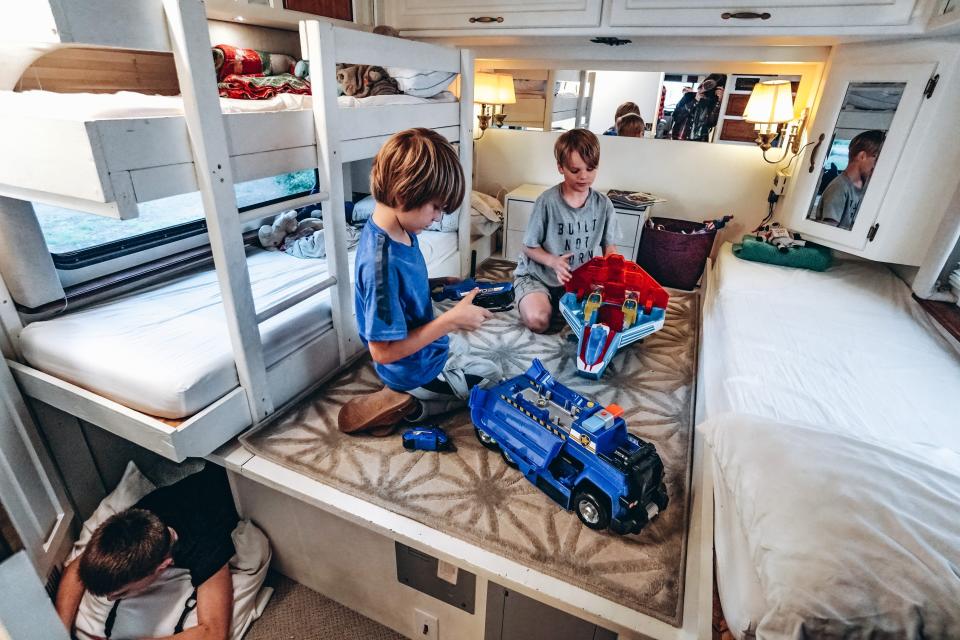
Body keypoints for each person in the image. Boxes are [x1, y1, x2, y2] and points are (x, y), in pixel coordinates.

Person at [338, 128, 500, 434]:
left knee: (466, 350)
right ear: (403, 195)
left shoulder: (400, 232)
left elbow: (402, 292)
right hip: (408, 368)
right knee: (491, 375)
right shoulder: (380, 264)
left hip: (420, 353)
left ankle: (415, 388)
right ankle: (412, 403)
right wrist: (450, 321)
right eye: (436, 207)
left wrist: (434, 284)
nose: (438, 218)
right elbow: (382, 351)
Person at [55, 465, 239, 640]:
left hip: (239, 486)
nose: (111, 599)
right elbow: (75, 569)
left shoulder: (204, 546)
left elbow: (212, 633)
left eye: (121, 593)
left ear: (162, 568)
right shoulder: (132, 522)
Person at [514, 129, 619, 334]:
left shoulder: (604, 204)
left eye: (591, 169)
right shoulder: (547, 201)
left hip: (580, 281)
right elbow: (528, 247)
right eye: (575, 170)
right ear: (561, 168)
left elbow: (610, 248)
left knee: (605, 319)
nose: (584, 176)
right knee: (538, 321)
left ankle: (560, 303)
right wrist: (554, 262)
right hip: (538, 276)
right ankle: (527, 295)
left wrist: (611, 269)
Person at [814, 130, 884, 230]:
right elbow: (827, 231)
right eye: (876, 159)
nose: (878, 165)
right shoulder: (839, 188)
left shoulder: (865, 188)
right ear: (862, 156)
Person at [670, 74, 725, 142]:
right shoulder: (689, 96)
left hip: (700, 142)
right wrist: (695, 100)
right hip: (679, 138)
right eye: (708, 84)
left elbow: (711, 123)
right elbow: (676, 117)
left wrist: (719, 101)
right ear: (704, 83)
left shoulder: (714, 103)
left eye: (713, 86)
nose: (709, 87)